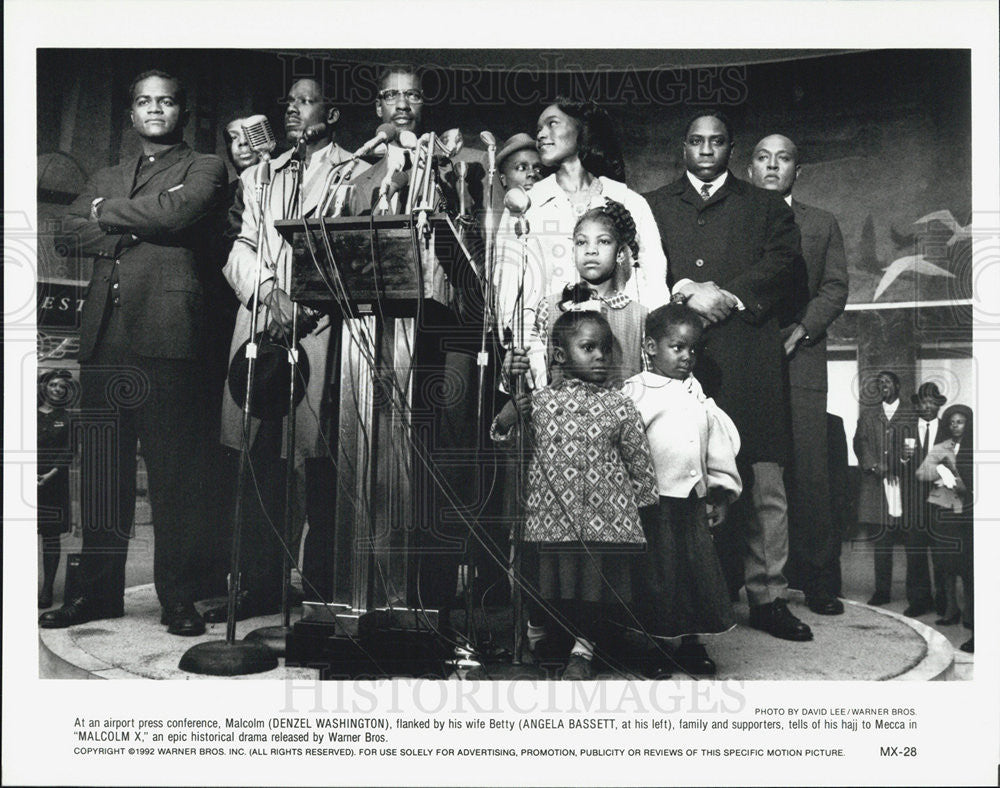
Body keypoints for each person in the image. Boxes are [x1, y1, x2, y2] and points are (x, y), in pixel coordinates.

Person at [40, 70, 227, 635]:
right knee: (101, 474)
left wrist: (104, 212)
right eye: (144, 102)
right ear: (131, 113)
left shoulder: (206, 167)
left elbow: (181, 215)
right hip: (105, 339)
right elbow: (66, 235)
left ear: (182, 111)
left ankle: (178, 600)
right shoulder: (108, 172)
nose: (154, 109)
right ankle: (98, 596)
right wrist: (134, 218)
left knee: (175, 477)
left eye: (166, 101)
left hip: (170, 335)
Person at [644, 110, 810, 642]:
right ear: (683, 147)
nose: (707, 149)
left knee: (764, 483)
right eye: (697, 141)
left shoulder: (764, 205)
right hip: (681, 364)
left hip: (751, 359)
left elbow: (785, 265)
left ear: (731, 148)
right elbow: (644, 268)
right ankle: (685, 598)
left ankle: (768, 597)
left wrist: (728, 294)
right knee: (679, 481)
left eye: (717, 141)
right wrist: (684, 289)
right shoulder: (653, 205)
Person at [211, 78, 365, 620]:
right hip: (259, 321)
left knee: (317, 460)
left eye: (307, 102)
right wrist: (269, 293)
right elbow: (239, 247)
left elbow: (356, 251)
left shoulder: (358, 170)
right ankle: (260, 585)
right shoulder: (259, 176)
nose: (295, 111)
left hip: (321, 328)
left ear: (334, 112)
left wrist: (303, 304)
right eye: (290, 103)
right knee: (257, 459)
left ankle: (322, 585)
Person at [492, 310, 658, 679]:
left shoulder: (620, 405)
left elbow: (639, 460)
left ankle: (584, 649)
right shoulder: (536, 402)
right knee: (544, 583)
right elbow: (512, 451)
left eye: (605, 348)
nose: (600, 356)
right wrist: (506, 419)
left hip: (606, 520)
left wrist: (645, 507)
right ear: (561, 356)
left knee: (595, 589)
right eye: (588, 348)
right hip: (548, 517)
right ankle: (541, 638)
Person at [746, 133, 849, 615]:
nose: (772, 166)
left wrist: (803, 331)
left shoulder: (822, 223)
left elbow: (834, 288)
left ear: (797, 171)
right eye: (763, 158)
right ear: (749, 169)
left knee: (809, 472)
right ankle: (743, 581)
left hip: (802, 358)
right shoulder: (737, 218)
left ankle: (820, 581)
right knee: (748, 471)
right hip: (748, 357)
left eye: (783, 158)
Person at [494, 99, 669, 352]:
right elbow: (509, 289)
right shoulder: (525, 205)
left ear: (583, 130)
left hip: (621, 350)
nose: (541, 135)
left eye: (552, 124)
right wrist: (529, 353)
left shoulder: (629, 201)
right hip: (550, 351)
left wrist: (645, 345)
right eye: (539, 129)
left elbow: (653, 280)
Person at [623, 303, 741, 676]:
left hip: (691, 500)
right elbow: (622, 445)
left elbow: (715, 443)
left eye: (693, 349)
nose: (687, 356)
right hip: (653, 504)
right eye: (677, 347)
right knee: (658, 577)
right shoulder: (635, 392)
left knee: (697, 574)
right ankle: (654, 645)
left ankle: (692, 644)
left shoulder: (696, 392)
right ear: (651, 346)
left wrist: (719, 491)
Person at [525, 201, 647, 388]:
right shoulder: (551, 308)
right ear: (573, 251)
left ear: (620, 253)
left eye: (603, 241)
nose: (591, 250)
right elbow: (535, 378)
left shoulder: (639, 317)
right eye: (582, 242)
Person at [915, 404, 973, 645]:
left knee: (968, 567)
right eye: (951, 422)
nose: (954, 426)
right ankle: (951, 610)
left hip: (968, 512)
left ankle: (970, 614)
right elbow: (920, 473)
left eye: (960, 422)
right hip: (943, 510)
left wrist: (963, 486)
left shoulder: (977, 446)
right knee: (945, 564)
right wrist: (940, 472)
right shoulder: (941, 447)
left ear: (968, 423)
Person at [854, 371, 909, 607]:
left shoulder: (911, 414)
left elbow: (914, 446)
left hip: (906, 486)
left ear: (897, 385)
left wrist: (896, 465)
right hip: (877, 486)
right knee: (882, 541)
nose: (882, 386)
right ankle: (882, 591)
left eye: (887, 382)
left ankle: (919, 595)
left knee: (912, 543)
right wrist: (875, 466)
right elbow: (860, 442)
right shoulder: (868, 415)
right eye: (879, 383)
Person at [899, 381, 948, 618]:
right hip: (914, 502)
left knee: (941, 555)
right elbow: (900, 466)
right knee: (915, 552)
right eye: (923, 402)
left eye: (932, 402)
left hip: (941, 503)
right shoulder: (907, 430)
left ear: (938, 405)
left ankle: (944, 602)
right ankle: (919, 600)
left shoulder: (948, 431)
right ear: (917, 405)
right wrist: (903, 458)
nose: (927, 406)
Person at [37, 369, 75, 609]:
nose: (58, 389)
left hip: (53, 484)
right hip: (22, 481)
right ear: (44, 387)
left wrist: (49, 474)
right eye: (53, 385)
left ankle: (47, 588)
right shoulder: (24, 414)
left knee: (50, 536)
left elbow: (69, 451)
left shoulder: (68, 418)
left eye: (62, 386)